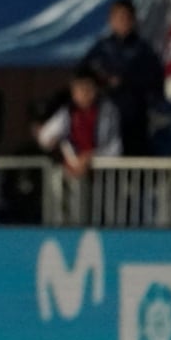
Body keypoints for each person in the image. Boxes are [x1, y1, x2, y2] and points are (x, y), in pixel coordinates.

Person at [36, 65, 121, 224]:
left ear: (95, 90)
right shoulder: (67, 112)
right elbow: (45, 137)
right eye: (79, 89)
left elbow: (115, 148)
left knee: (104, 220)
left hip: (103, 179)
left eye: (88, 88)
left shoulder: (107, 111)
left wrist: (89, 157)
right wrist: (50, 140)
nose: (84, 93)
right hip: (74, 175)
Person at [81, 0, 165, 156]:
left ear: (133, 20)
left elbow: (154, 80)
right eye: (118, 18)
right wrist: (103, 81)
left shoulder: (143, 50)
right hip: (104, 117)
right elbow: (83, 76)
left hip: (135, 117)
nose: (122, 22)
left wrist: (126, 81)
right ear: (111, 20)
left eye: (126, 17)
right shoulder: (101, 49)